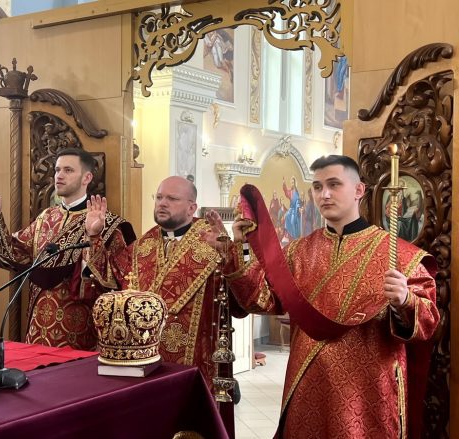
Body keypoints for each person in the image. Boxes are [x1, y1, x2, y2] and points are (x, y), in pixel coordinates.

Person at [221, 155, 439, 438]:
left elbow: (429, 321)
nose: (324, 194)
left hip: (368, 390)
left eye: (334, 184)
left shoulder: (400, 255)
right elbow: (262, 300)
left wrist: (405, 301)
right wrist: (240, 248)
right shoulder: (298, 252)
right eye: (317, 186)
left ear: (359, 190)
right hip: (307, 382)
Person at [85, 176, 261, 434]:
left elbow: (244, 300)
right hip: (144, 367)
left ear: (192, 207)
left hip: (196, 367)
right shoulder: (143, 245)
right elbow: (112, 278)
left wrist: (231, 253)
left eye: (172, 198)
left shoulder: (213, 240)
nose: (162, 203)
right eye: (159, 197)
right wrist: (95, 236)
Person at [0, 147, 135, 350]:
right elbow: (16, 253)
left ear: (87, 178)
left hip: (81, 329)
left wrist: (94, 237)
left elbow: (118, 280)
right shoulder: (46, 217)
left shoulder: (109, 224)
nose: (59, 175)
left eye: (68, 170)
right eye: (57, 170)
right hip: (38, 325)